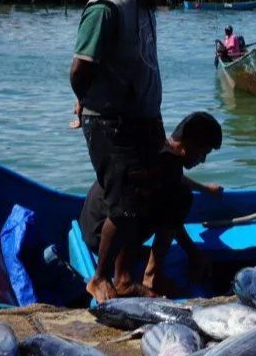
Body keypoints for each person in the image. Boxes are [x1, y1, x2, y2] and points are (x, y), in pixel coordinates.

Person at [70, 0, 180, 303]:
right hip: (111, 122)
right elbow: (80, 68)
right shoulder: (108, 6)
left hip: (142, 119)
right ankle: (100, 278)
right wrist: (87, 101)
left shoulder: (143, 4)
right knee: (125, 201)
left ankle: (127, 275)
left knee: (153, 192)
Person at [79, 111, 225, 297]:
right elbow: (169, 215)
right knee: (181, 199)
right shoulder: (165, 167)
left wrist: (205, 188)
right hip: (104, 236)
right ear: (187, 144)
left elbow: (176, 179)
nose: (203, 160)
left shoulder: (159, 149)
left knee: (174, 197)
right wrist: (193, 252)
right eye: (203, 152)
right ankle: (135, 278)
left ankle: (144, 268)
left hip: (90, 224)